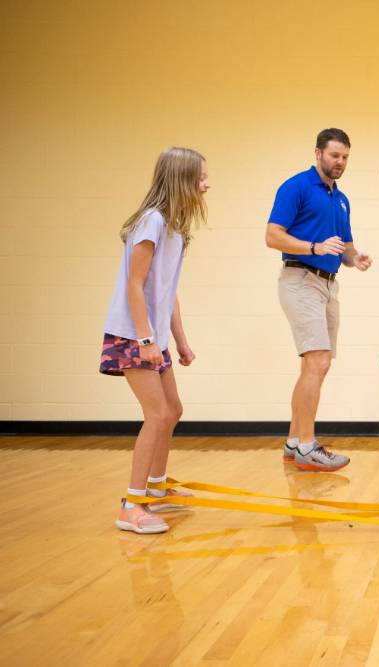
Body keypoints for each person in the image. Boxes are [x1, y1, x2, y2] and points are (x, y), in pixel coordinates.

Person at [102, 147, 208, 534]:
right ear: (181, 179)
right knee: (158, 415)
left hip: (154, 336)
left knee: (172, 410)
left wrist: (180, 341)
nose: (206, 185)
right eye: (201, 178)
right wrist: (146, 339)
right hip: (133, 333)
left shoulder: (175, 228)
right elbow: (135, 284)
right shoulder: (152, 221)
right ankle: (131, 505)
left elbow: (167, 291)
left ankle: (156, 489)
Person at [265, 128, 372, 471]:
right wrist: (314, 247)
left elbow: (345, 247)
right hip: (300, 279)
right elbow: (273, 236)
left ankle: (294, 442)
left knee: (314, 365)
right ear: (318, 153)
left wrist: (355, 258)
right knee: (318, 362)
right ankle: (308, 447)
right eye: (334, 155)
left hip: (328, 285)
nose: (340, 162)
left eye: (345, 157)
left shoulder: (341, 199)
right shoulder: (296, 187)